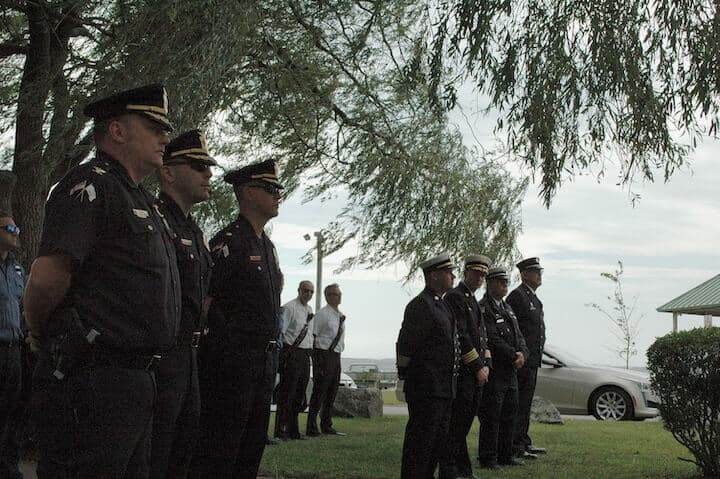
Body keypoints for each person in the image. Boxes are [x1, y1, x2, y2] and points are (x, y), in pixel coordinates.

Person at [23, 84, 181, 478]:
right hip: (94, 379)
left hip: (136, 379)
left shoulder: (139, 197)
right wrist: (45, 335)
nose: (165, 137)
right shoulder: (90, 186)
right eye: (154, 126)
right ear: (118, 131)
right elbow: (45, 282)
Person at [189, 159, 283, 478]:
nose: (277, 195)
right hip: (232, 364)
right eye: (270, 189)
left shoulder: (267, 247)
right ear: (249, 194)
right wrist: (227, 347)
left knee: (251, 448)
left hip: (264, 362)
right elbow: (205, 301)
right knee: (221, 448)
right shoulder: (228, 242)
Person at [151, 130, 215, 478]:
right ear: (168, 171)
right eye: (198, 166)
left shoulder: (193, 228)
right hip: (163, 356)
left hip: (190, 354)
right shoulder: (156, 220)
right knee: (157, 453)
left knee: (183, 451)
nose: (208, 174)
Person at [397, 253, 460, 479]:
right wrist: (405, 375)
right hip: (426, 388)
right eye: (447, 272)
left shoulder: (442, 305)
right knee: (420, 444)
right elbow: (406, 346)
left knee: (436, 443)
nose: (453, 276)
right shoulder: (421, 306)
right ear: (433, 276)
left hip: (443, 389)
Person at [439, 254, 492, 479]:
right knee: (457, 425)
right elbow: (461, 336)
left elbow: (481, 337)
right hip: (463, 374)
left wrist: (487, 363)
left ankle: (463, 469)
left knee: (464, 424)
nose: (480, 278)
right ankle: (449, 470)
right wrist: (477, 365)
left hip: (476, 374)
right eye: (476, 273)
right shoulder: (455, 297)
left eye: (483, 275)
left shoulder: (472, 300)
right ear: (466, 272)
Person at [477, 267, 529, 469]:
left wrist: (523, 353)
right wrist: (513, 355)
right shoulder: (484, 308)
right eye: (500, 282)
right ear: (489, 284)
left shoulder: (507, 308)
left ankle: (505, 455)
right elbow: (492, 338)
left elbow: (519, 335)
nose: (505, 285)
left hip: (511, 373)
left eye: (506, 282)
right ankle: (488, 458)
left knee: (509, 414)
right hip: (497, 371)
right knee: (492, 417)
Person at [507, 257, 547, 459]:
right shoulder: (517, 297)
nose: (539, 275)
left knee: (526, 404)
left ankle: (523, 440)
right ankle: (515, 445)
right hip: (522, 361)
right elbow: (514, 331)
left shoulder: (534, 299)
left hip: (532, 361)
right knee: (518, 404)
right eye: (535, 271)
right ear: (524, 275)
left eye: (540, 271)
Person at [0, 171, 25, 479]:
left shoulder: (18, 269)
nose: (16, 232)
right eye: (10, 228)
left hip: (14, 353)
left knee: (12, 412)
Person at [306, 283, 347, 437]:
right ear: (328, 296)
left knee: (331, 392)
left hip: (336, 355)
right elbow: (314, 335)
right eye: (336, 294)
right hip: (323, 354)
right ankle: (311, 426)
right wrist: (317, 361)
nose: (339, 296)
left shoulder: (339, 315)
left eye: (339, 293)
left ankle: (326, 424)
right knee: (319, 392)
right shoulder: (323, 314)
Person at [276, 280, 315, 440]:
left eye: (311, 291)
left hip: (305, 354)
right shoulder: (289, 307)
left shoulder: (310, 309)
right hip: (292, 352)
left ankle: (294, 429)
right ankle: (281, 429)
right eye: (305, 290)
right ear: (299, 290)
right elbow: (282, 332)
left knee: (300, 393)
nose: (308, 294)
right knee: (287, 392)